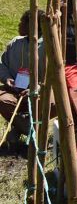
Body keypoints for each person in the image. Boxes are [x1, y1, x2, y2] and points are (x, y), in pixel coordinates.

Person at [0, 9, 46, 147]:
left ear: (32, 26)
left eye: (22, 22)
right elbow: (2, 64)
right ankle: (27, 129)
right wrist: (7, 78)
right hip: (14, 92)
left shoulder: (48, 47)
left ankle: (18, 129)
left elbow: (54, 76)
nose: (19, 25)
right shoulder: (15, 42)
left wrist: (37, 88)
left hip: (40, 94)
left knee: (52, 103)